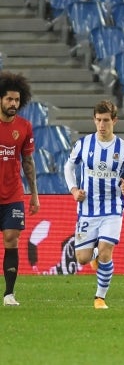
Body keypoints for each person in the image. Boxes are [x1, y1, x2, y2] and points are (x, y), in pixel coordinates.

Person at [63, 100, 124, 309]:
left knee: (106, 251)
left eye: (106, 120)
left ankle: (99, 297)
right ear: (94, 120)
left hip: (113, 208)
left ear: (115, 121)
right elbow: (69, 167)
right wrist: (74, 190)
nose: (102, 125)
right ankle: (92, 254)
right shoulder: (84, 144)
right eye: (98, 120)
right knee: (82, 259)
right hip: (87, 208)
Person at [0, 72, 39, 306]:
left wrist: (34, 194)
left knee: (11, 239)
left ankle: (9, 294)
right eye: (9, 99)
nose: (13, 104)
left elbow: (28, 162)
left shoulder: (24, 127)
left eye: (17, 100)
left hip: (13, 192)